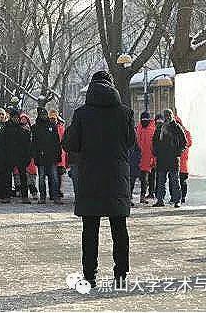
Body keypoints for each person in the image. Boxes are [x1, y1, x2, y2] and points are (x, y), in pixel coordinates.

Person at [66, 71, 135, 289]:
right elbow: (131, 142)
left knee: (90, 229)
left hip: (90, 176)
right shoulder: (125, 113)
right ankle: (121, 275)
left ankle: (90, 275)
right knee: (119, 228)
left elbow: (71, 144)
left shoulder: (81, 114)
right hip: (117, 176)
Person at [152, 109, 187, 208]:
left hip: (173, 158)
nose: (167, 117)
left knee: (175, 181)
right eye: (166, 115)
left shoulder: (177, 127)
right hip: (162, 158)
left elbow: (184, 142)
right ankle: (160, 200)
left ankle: (177, 200)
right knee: (161, 181)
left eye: (169, 115)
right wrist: (156, 152)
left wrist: (178, 152)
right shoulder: (159, 128)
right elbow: (155, 141)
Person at [0, 107, 31, 204]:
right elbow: (2, 144)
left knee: (23, 176)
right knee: (7, 177)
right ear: (11, 118)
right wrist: (3, 157)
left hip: (21, 157)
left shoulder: (23, 129)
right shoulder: (6, 128)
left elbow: (27, 145)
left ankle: (25, 196)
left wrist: (27, 157)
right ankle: (7, 196)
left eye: (17, 117)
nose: (16, 119)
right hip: (9, 156)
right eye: (14, 117)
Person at [32, 107, 62, 205]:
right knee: (41, 178)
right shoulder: (36, 127)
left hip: (52, 156)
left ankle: (56, 196)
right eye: (42, 115)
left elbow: (57, 142)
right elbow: (34, 144)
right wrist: (35, 156)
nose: (44, 116)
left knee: (54, 177)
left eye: (45, 114)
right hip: (41, 157)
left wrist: (58, 155)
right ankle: (42, 197)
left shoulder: (52, 126)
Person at [134, 112, 155, 205]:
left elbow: (154, 145)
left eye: (146, 119)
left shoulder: (152, 129)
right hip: (139, 157)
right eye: (143, 119)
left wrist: (154, 158)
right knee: (139, 178)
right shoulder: (138, 129)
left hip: (148, 158)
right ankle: (140, 196)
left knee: (145, 179)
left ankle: (143, 196)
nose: (144, 121)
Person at [49, 109, 68, 198]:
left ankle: (57, 191)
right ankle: (53, 192)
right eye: (51, 118)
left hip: (60, 153)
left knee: (59, 174)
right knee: (52, 175)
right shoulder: (49, 127)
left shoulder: (61, 128)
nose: (53, 119)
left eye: (54, 118)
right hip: (52, 153)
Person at [147, 114, 164, 199]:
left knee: (156, 176)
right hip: (154, 156)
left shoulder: (155, 128)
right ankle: (153, 192)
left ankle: (155, 192)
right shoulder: (155, 129)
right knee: (154, 176)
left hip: (156, 156)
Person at [175, 116, 192, 203]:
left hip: (181, 160)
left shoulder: (185, 132)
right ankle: (179, 197)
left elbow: (189, 143)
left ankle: (182, 197)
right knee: (178, 180)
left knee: (180, 180)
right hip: (178, 160)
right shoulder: (186, 132)